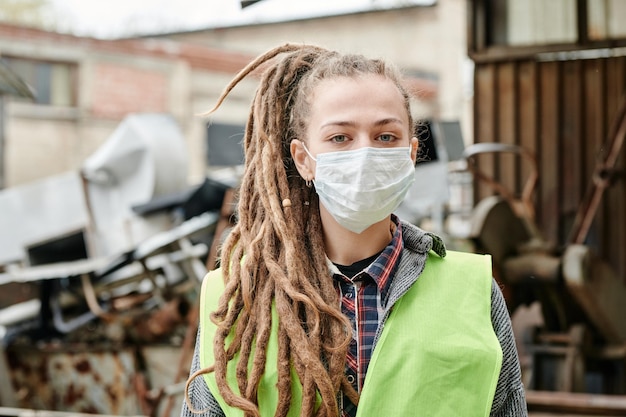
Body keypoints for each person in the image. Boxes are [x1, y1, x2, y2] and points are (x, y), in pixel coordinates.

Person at [182, 43, 528, 417]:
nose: (364, 154)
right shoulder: (237, 300)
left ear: (410, 155)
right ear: (303, 160)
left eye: (385, 137)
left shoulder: (472, 291)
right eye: (339, 138)